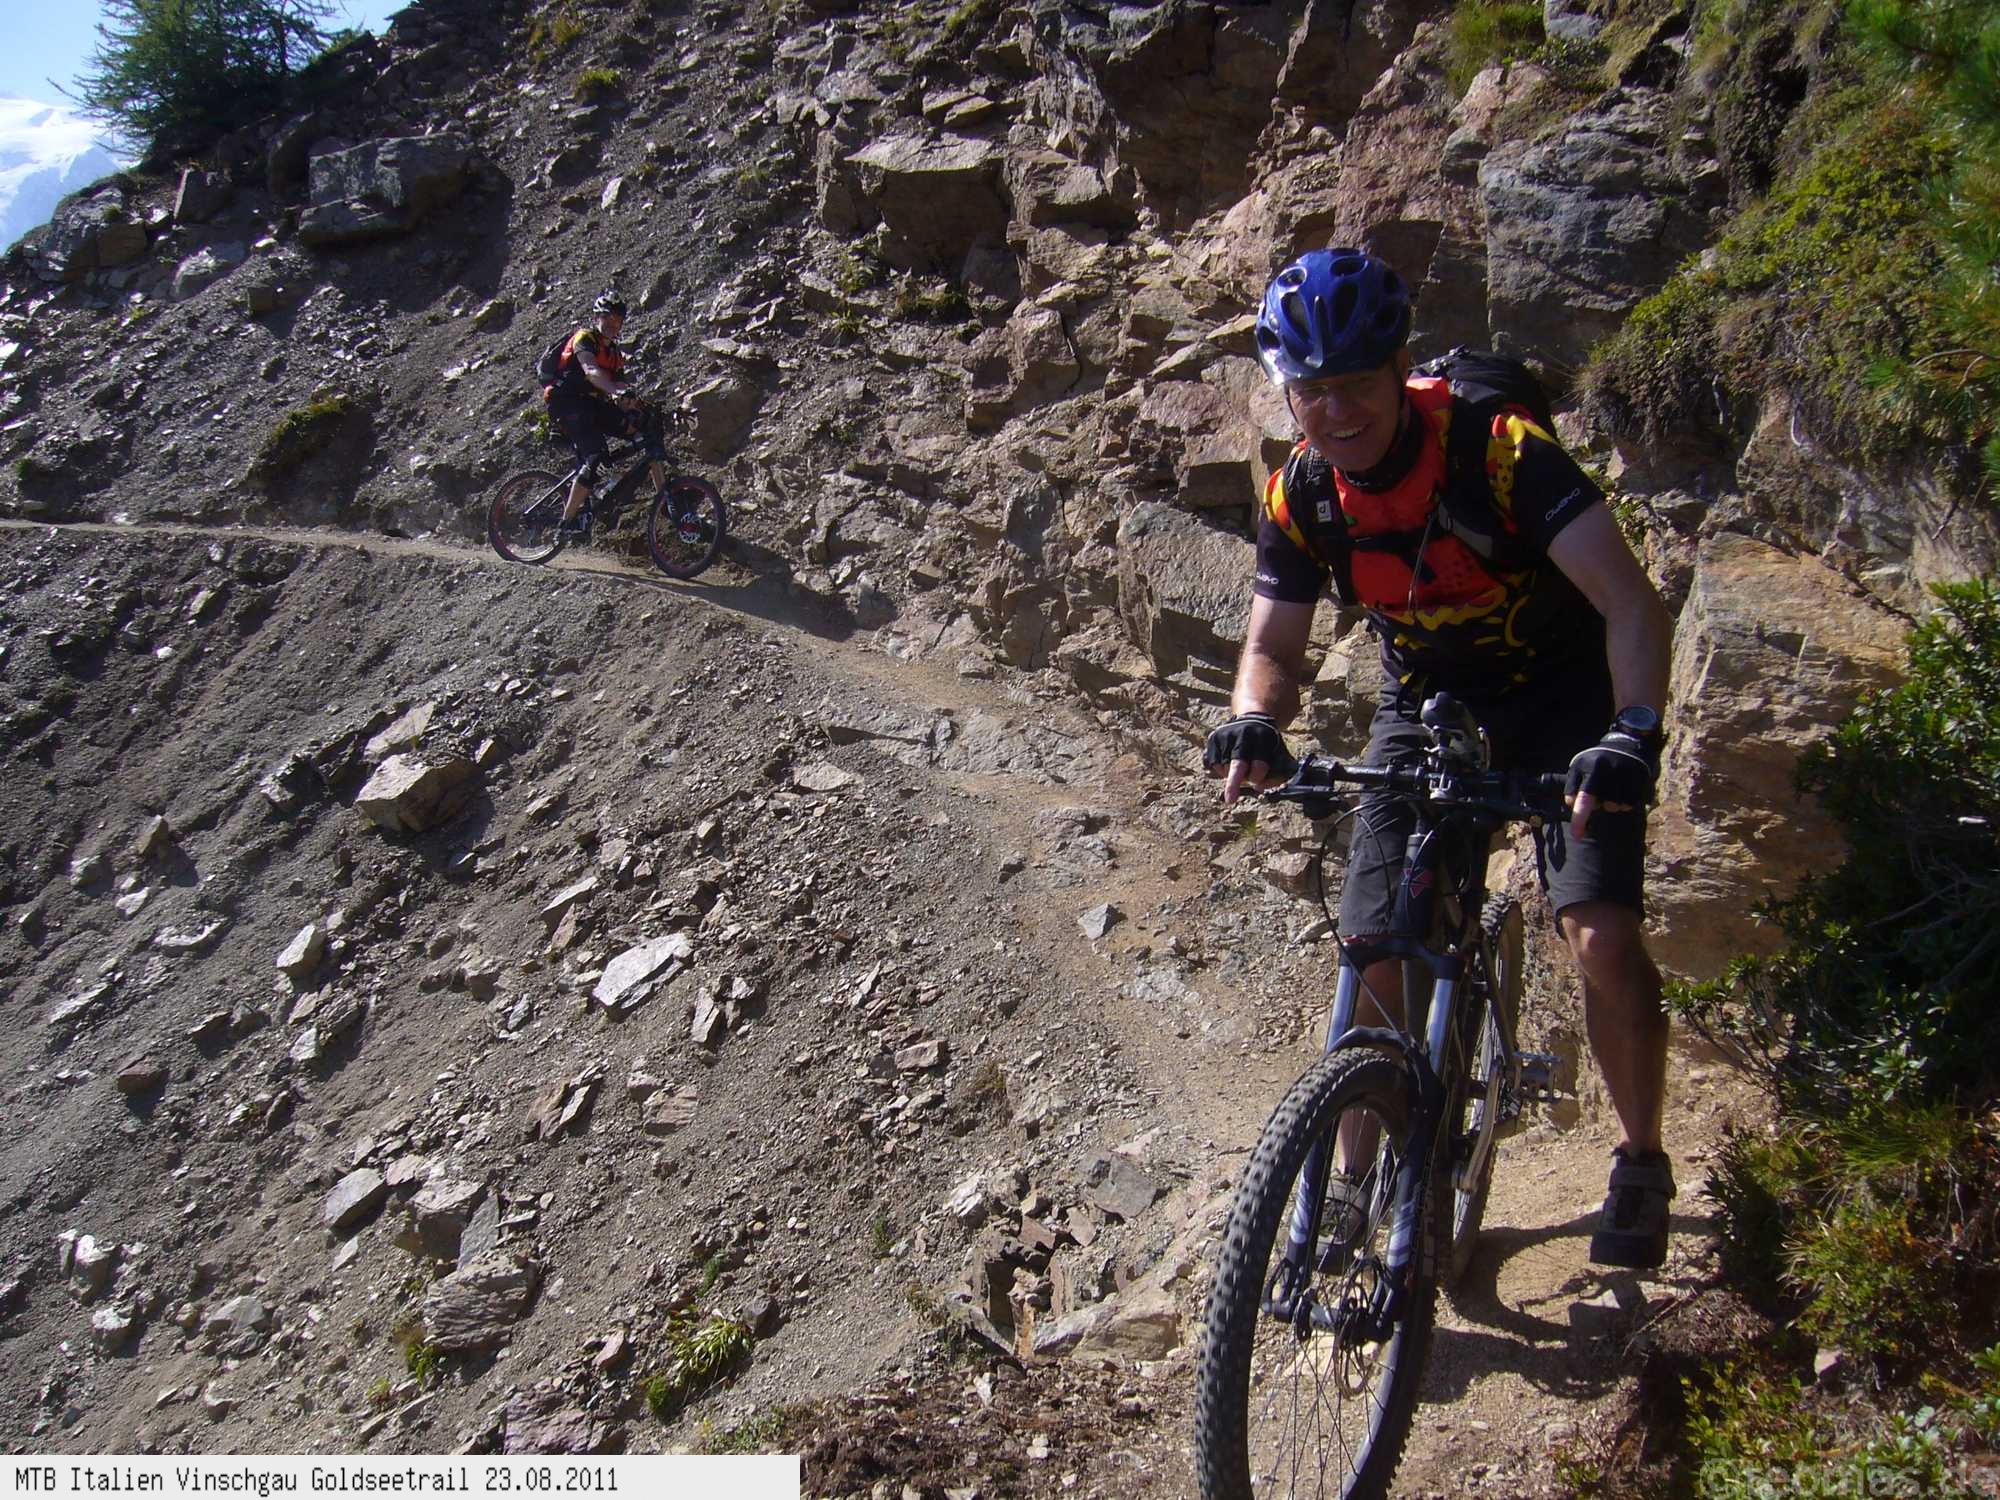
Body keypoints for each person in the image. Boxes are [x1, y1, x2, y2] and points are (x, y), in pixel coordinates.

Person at [1203, 247, 1678, 1269]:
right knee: (1372, 942)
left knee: (1597, 935)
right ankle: (1348, 1185)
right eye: (1310, 389)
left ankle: (1640, 1158)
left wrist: (1631, 731)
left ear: (1399, 368)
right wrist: (1254, 720)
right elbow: (1271, 648)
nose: (1334, 411)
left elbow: (1628, 601)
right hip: (1427, 700)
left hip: (1565, 696)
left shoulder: (1499, 453)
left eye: (1355, 384)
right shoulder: (1302, 494)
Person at [540, 290, 665, 533]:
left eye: (617, 319)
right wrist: (616, 392)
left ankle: (664, 500)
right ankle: (566, 524)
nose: (612, 323)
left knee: (645, 430)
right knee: (595, 456)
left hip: (595, 405)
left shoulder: (614, 354)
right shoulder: (585, 338)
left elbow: (621, 388)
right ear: (597, 317)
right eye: (607, 317)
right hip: (567, 402)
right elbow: (591, 370)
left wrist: (639, 406)